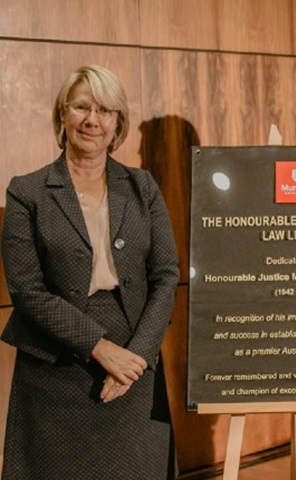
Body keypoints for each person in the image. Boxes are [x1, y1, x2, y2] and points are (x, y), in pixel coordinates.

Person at [1, 65, 179, 479]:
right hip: (56, 366)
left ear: (118, 121)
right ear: (63, 114)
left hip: (135, 355)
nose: (92, 120)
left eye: (104, 109)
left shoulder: (142, 187)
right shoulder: (27, 192)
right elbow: (27, 291)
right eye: (81, 106)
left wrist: (136, 356)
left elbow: (166, 274)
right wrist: (101, 348)